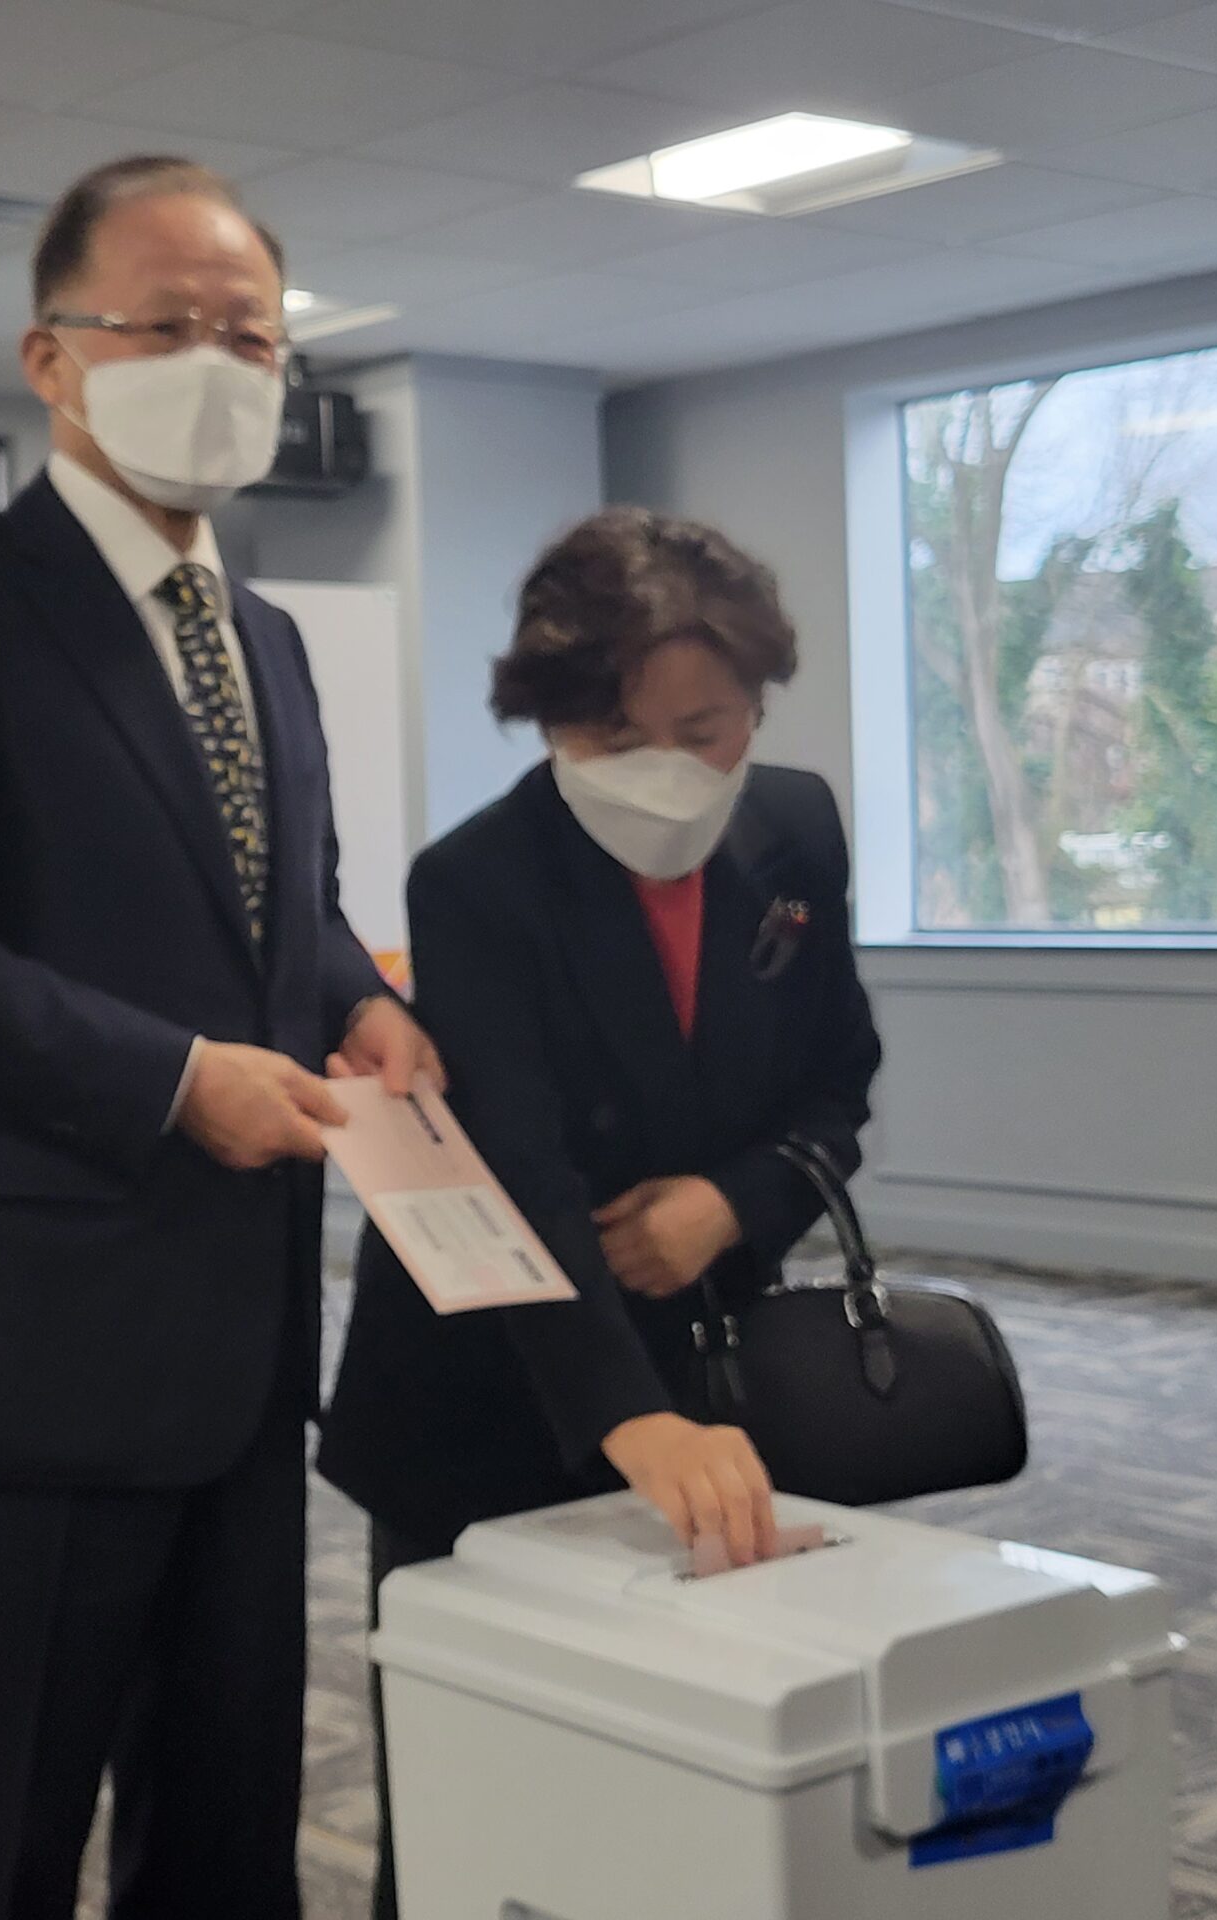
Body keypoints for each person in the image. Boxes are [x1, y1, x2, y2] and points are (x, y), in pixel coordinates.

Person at [0, 155, 439, 1920]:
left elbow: (286, 911)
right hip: (20, 1352)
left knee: (229, 1836)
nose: (217, 365)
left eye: (252, 335)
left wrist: (361, 1000)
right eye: (167, 326)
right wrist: (173, 1082)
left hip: (240, 1348)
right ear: (51, 357)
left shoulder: (270, 640)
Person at [318, 506, 883, 1919]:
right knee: (470, 1812)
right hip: (490, 1389)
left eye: (705, 730)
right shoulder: (478, 881)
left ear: (757, 705)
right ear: (549, 721)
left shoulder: (796, 830)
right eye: (613, 738)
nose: (666, 773)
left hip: (707, 1376)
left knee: (676, 1802)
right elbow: (518, 1173)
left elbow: (838, 1085)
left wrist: (729, 1206)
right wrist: (630, 1418)